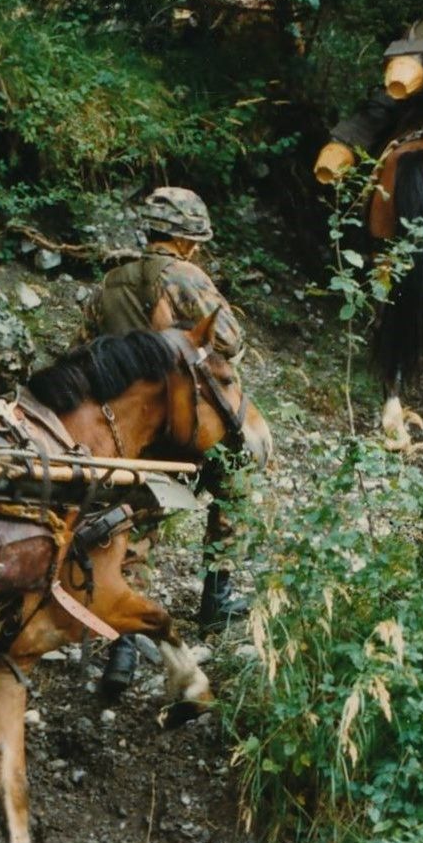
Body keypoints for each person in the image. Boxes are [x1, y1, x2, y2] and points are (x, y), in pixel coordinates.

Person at [80, 187, 252, 688]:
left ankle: (123, 650)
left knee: (130, 522)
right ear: (185, 239)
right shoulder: (184, 276)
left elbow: (83, 350)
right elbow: (232, 339)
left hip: (126, 426)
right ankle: (216, 597)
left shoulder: (109, 283)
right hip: (176, 419)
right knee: (235, 481)